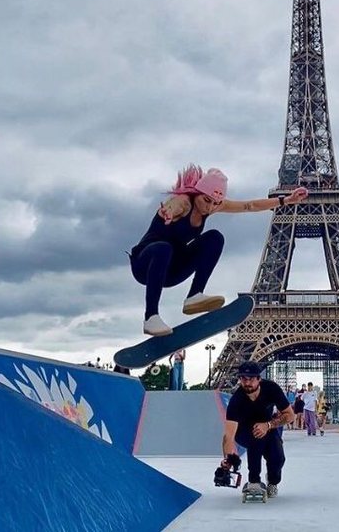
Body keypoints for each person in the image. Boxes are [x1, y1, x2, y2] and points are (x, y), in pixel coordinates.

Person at [129, 164, 308, 335]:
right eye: (206, 200)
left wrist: (286, 200)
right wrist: (168, 212)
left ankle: (194, 295)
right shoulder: (183, 202)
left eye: (216, 203)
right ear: (198, 193)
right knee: (163, 248)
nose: (210, 207)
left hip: (172, 272)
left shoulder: (212, 205)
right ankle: (150, 317)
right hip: (145, 265)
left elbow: (249, 206)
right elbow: (173, 205)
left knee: (214, 237)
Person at [222, 361, 294, 499]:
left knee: (278, 458)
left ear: (259, 379)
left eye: (251, 379)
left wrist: (267, 425)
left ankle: (273, 481)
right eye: (243, 378)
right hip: (243, 431)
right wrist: (227, 459)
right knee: (255, 436)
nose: (247, 383)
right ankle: (254, 480)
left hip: (268, 425)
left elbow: (290, 415)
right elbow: (229, 435)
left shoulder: (271, 389)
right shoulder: (236, 400)